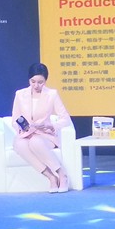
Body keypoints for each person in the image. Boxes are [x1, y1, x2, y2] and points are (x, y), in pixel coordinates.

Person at [12, 63, 73, 192]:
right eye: (33, 82)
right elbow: (15, 119)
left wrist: (51, 126)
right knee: (19, 145)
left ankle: (62, 174)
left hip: (45, 134)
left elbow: (65, 118)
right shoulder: (20, 94)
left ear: (45, 81)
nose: (36, 85)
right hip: (26, 133)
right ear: (29, 80)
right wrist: (22, 128)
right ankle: (51, 177)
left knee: (36, 142)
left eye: (40, 82)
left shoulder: (52, 94)